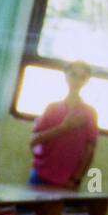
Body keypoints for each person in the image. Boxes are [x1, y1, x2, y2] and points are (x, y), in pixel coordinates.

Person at [29, 60, 97, 188]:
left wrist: (76, 179)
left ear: (87, 81)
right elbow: (34, 141)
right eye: (73, 74)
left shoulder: (89, 113)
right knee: (27, 208)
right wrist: (63, 128)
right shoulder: (52, 108)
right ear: (65, 76)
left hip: (67, 180)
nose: (77, 80)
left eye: (82, 77)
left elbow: (90, 150)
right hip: (40, 174)